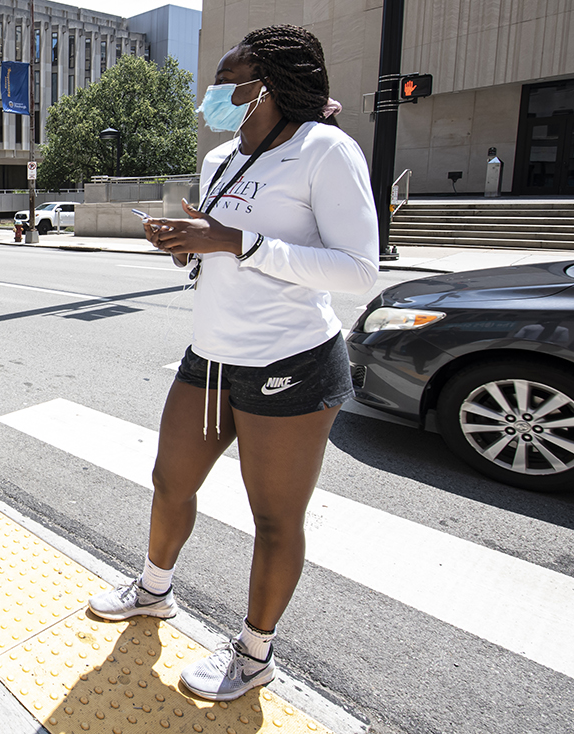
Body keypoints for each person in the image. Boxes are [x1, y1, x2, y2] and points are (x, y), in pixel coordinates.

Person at [86, 25, 379, 702]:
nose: (213, 93)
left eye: (228, 82)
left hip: (292, 362)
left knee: (274, 519)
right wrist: (187, 247)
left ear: (267, 89)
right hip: (209, 357)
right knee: (169, 481)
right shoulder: (222, 158)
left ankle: (254, 653)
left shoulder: (324, 150)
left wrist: (234, 239)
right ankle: (154, 591)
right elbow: (221, 247)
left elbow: (360, 271)